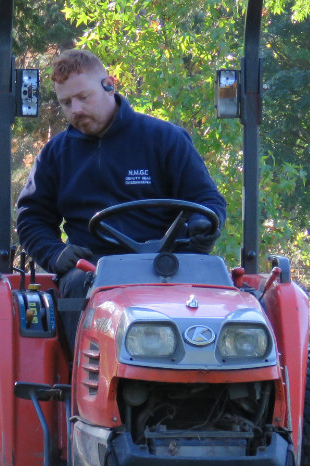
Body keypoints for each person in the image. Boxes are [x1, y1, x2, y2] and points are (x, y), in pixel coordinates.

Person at [15, 48, 227, 351]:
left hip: (170, 262)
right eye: (66, 102)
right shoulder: (56, 155)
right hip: (94, 267)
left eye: (83, 97)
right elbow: (32, 217)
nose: (74, 109)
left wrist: (202, 224)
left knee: (226, 295)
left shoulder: (164, 139)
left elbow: (206, 199)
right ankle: (88, 389)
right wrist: (54, 254)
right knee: (76, 283)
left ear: (109, 85)